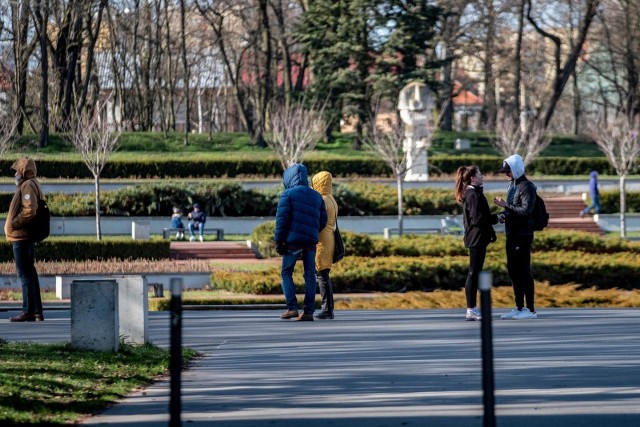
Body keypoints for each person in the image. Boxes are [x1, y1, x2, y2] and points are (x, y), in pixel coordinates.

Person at [274, 163, 327, 321]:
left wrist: (279, 241)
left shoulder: (287, 194)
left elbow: (281, 221)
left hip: (293, 243)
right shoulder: (316, 195)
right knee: (310, 275)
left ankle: (292, 308)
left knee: (286, 272)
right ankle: (309, 311)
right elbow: (323, 220)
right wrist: (312, 231)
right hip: (310, 242)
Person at [494, 154, 538, 320]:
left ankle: (530, 309)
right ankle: (519, 306)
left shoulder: (527, 187)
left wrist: (507, 205)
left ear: (516, 170)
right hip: (511, 234)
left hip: (522, 235)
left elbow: (526, 211)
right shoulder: (512, 186)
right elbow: (513, 210)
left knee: (524, 271)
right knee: (513, 271)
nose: (506, 175)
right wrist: (504, 213)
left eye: (508, 172)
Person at [455, 166, 498, 321]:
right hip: (476, 238)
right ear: (473, 178)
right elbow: (478, 219)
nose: (483, 176)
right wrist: (495, 219)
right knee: (473, 273)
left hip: (477, 238)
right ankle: (471, 309)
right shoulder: (473, 195)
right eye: (481, 174)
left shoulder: (473, 193)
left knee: (475, 272)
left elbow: (481, 217)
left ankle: (472, 308)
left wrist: (491, 230)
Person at [6, 157, 45, 322]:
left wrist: (14, 224)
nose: (15, 174)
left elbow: (30, 210)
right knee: (30, 273)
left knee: (24, 275)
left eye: (17, 170)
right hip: (25, 236)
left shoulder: (28, 185)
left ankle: (27, 311)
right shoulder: (32, 183)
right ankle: (36, 312)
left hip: (21, 236)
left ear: (23, 171)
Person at [311, 171, 338, 320]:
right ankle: (329, 308)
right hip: (330, 237)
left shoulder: (321, 200)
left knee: (322, 274)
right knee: (324, 274)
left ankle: (327, 309)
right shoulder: (331, 199)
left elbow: (317, 221)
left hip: (322, 240)